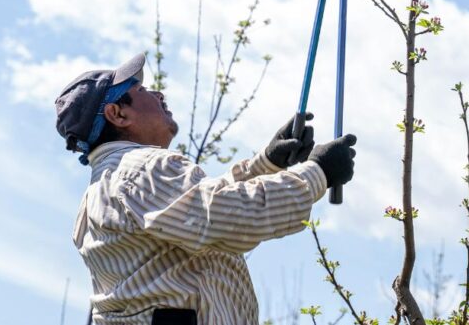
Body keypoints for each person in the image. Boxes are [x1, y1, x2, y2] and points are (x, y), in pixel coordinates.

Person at [54, 53, 358, 325]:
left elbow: (192, 213)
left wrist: (267, 163)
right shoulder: (141, 169)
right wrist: (318, 173)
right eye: (141, 90)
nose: (158, 94)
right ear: (118, 114)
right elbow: (226, 217)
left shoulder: (103, 190)